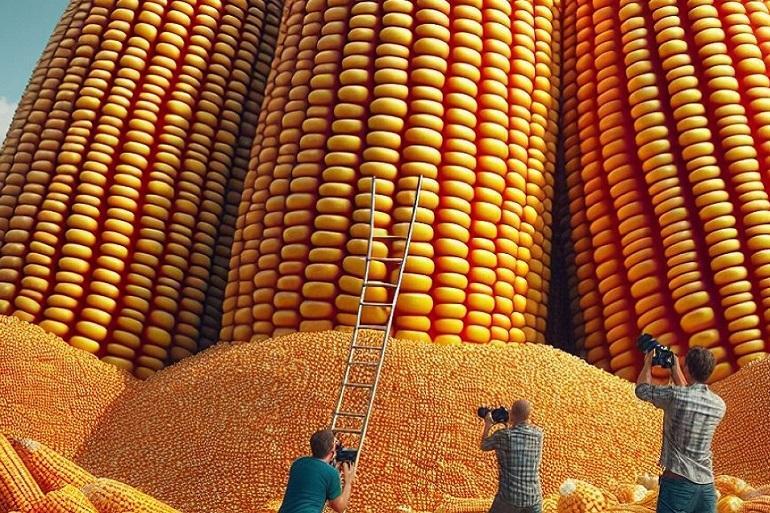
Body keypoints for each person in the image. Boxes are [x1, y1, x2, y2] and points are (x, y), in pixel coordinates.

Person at [635, 346, 726, 513]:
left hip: (677, 486)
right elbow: (690, 397)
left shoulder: (674, 396)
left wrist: (648, 362)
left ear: (688, 368)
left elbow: (642, 390)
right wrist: (676, 369)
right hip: (706, 487)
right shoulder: (719, 405)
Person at [480, 399, 544, 513]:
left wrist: (488, 424)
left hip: (509, 499)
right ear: (529, 415)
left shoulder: (504, 436)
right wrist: (512, 420)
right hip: (535, 498)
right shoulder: (539, 434)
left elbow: (484, 446)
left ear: (511, 414)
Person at [278, 429, 356, 513]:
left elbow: (312, 483)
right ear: (332, 453)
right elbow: (339, 507)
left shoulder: (298, 463)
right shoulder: (331, 473)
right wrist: (348, 482)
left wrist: (333, 468)